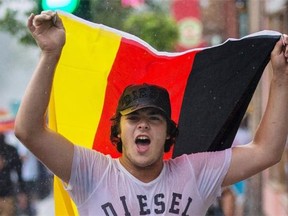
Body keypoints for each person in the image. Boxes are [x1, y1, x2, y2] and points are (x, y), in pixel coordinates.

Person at [14, 11, 288, 215]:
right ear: (118, 130)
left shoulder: (195, 173)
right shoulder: (91, 172)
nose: (142, 126)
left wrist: (281, 76)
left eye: (153, 119)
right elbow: (29, 131)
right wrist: (50, 54)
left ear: (169, 133)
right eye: (133, 118)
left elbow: (267, 151)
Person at [0, 132, 25, 216]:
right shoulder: (10, 150)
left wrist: (22, 193)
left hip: (7, 194)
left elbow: (19, 173)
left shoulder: (10, 150)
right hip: (7, 193)